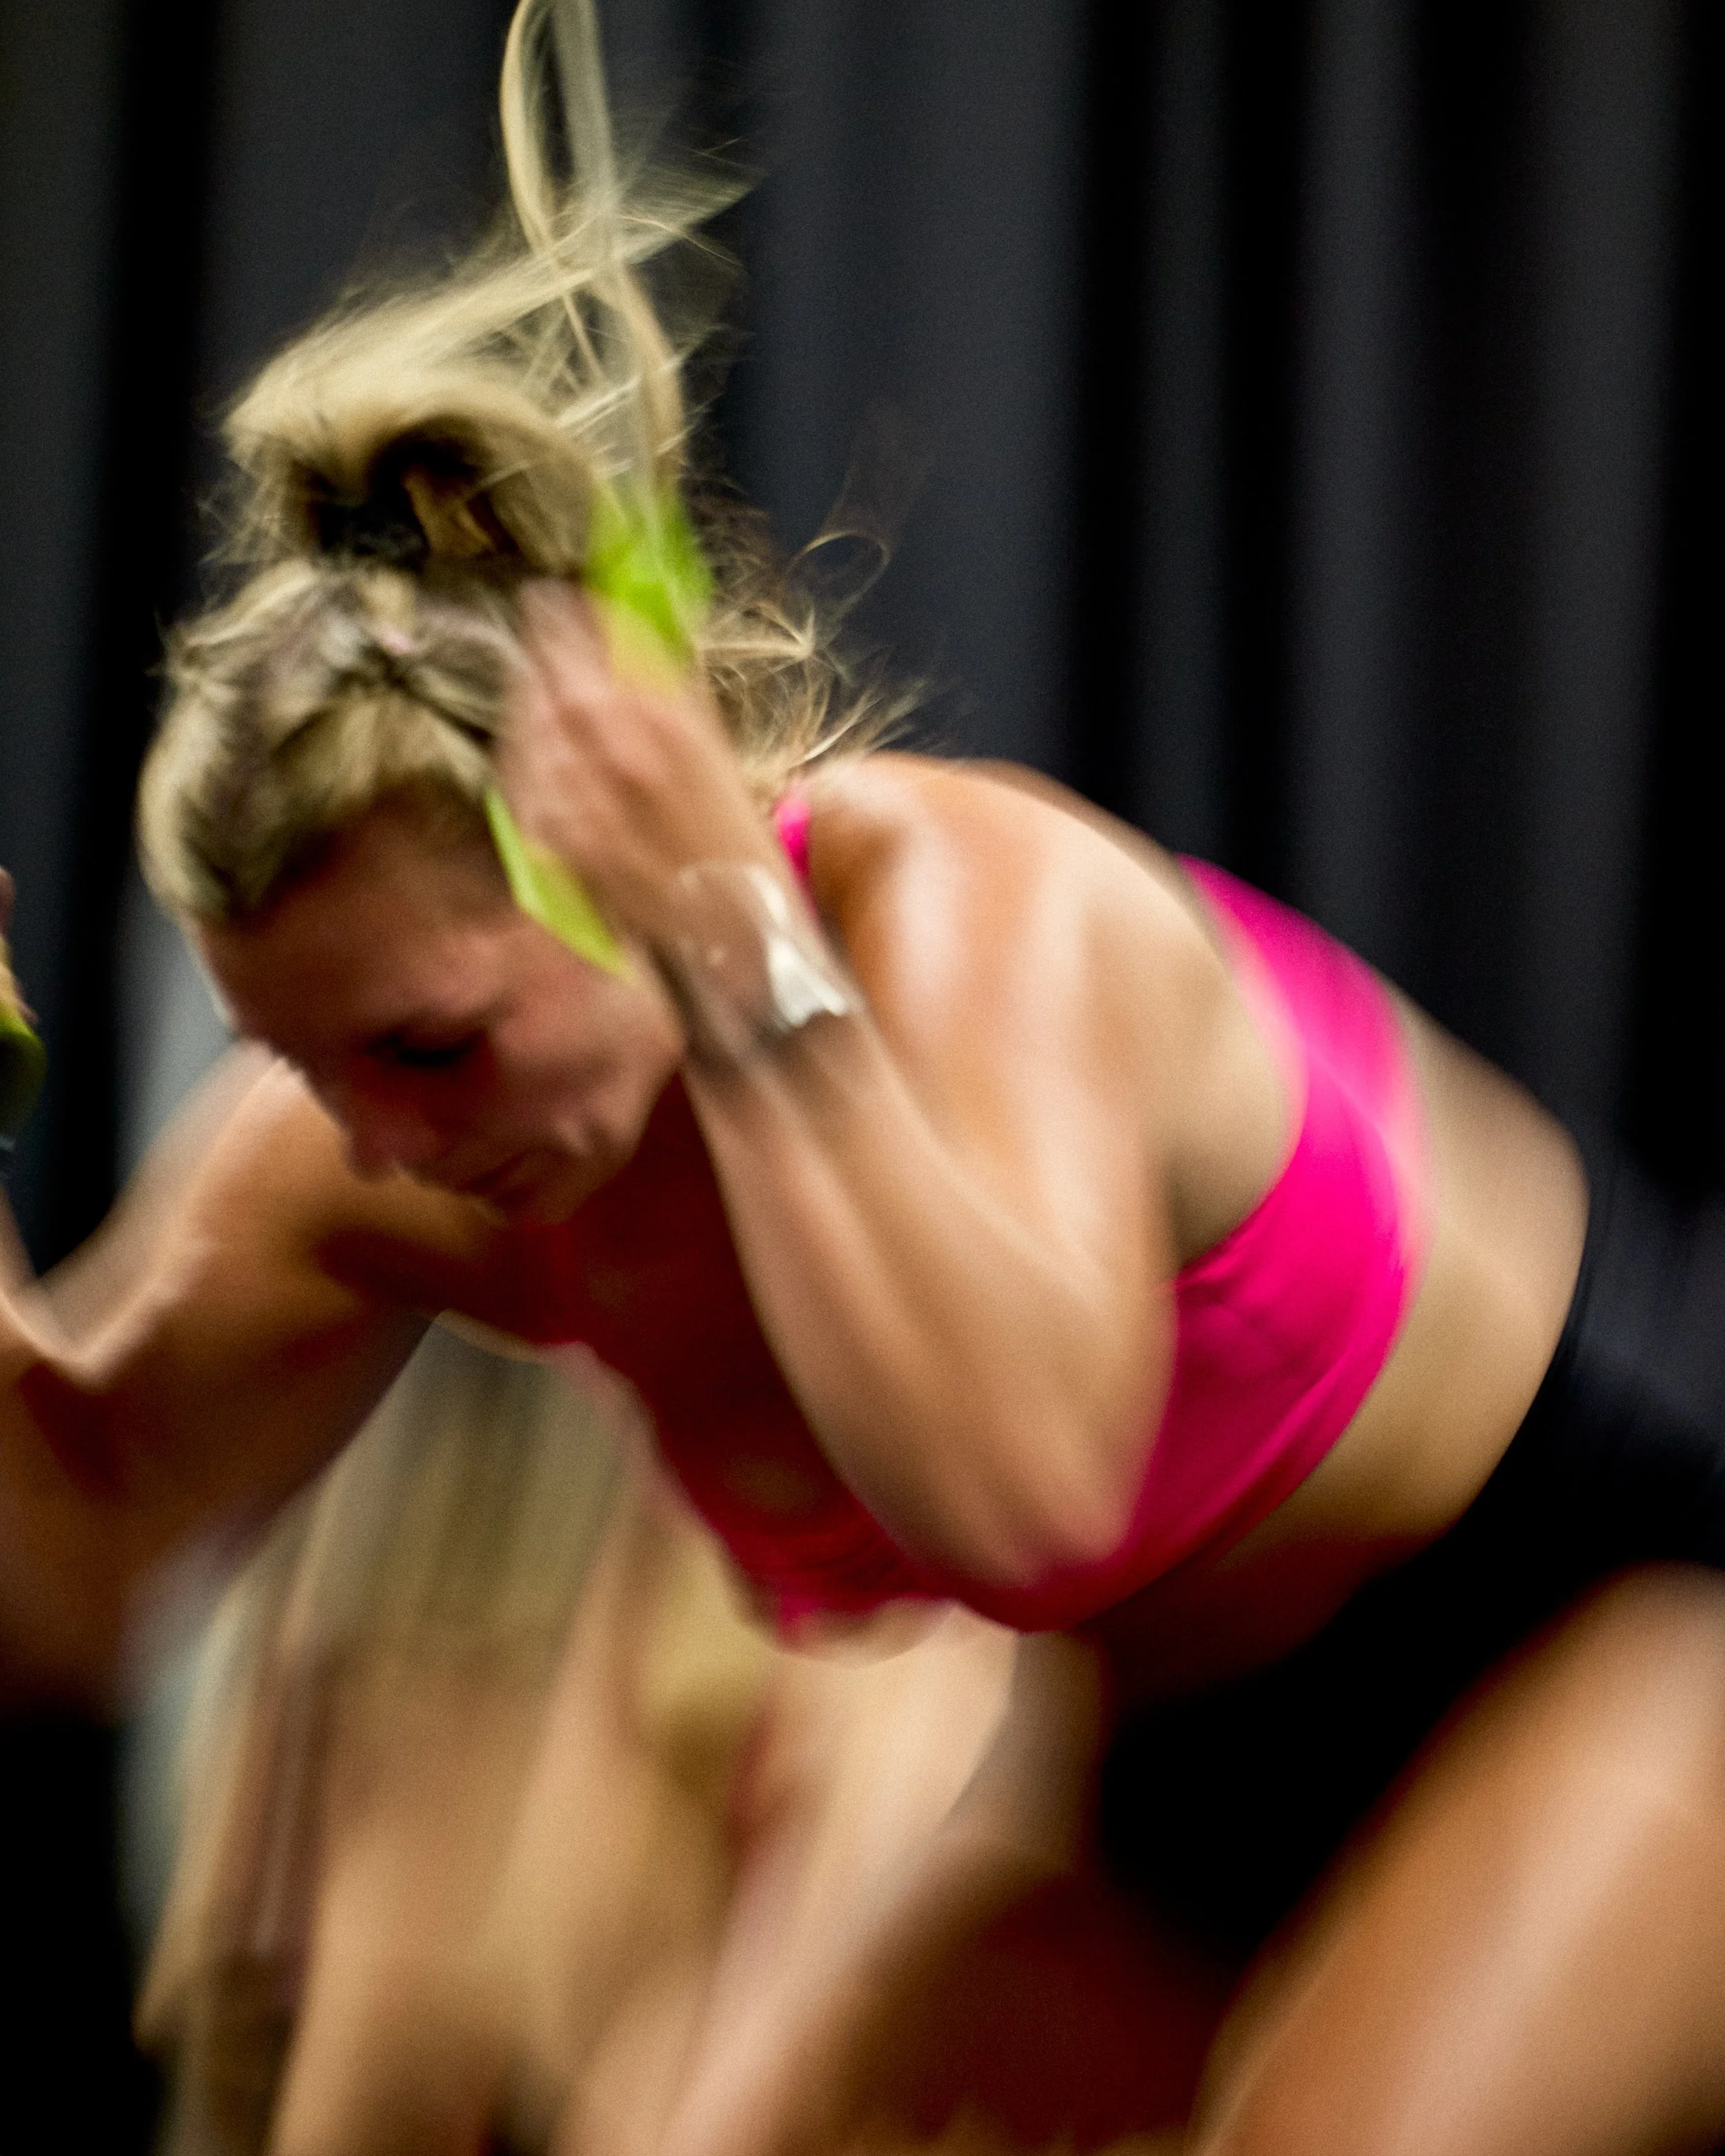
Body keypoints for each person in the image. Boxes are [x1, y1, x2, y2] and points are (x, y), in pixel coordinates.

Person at [9, 0, 1725, 2148]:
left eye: (433, 1046)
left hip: (1598, 1623)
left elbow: (1022, 1483)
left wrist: (732, 942)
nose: (375, 1138)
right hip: (1153, 1748)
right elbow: (68, 1573)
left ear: (609, 856)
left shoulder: (971, 922)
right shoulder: (391, 1141)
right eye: (303, 1057)